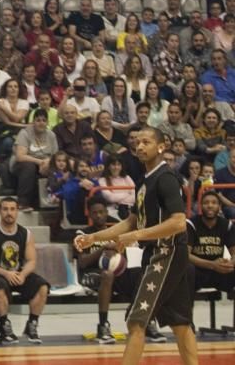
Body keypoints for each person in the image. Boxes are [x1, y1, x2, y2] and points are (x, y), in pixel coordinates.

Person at [74, 127, 197, 365]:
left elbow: (179, 222)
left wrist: (137, 235)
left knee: (136, 320)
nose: (140, 146)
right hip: (160, 253)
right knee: (180, 323)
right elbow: (131, 222)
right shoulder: (144, 180)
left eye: (147, 142)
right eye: (137, 142)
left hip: (166, 253)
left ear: (161, 147)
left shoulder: (166, 178)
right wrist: (94, 238)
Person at [74, 197, 148, 345]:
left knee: (141, 273)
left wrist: (116, 250)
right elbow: (82, 262)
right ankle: (103, 326)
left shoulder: (116, 230)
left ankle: (145, 321)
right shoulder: (83, 233)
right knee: (107, 275)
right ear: (89, 214)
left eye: (101, 212)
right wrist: (103, 248)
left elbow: (124, 258)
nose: (99, 216)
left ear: (107, 212)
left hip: (115, 272)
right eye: (95, 213)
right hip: (91, 274)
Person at [0, 197, 49, 345]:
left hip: (17, 274)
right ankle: (5, 327)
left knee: (42, 287)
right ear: (0, 211)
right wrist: (6, 273)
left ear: (17, 211)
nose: (9, 213)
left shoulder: (26, 234)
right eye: (5, 209)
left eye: (12, 209)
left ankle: (32, 325)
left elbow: (31, 261)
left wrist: (23, 274)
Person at [187, 190, 235, 294]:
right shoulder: (191, 224)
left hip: (219, 273)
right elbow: (186, 255)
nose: (210, 206)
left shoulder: (227, 225)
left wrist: (231, 263)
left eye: (214, 203)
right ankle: (187, 310)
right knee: (187, 268)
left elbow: (234, 251)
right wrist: (212, 265)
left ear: (219, 206)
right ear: (201, 206)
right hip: (197, 272)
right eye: (206, 203)